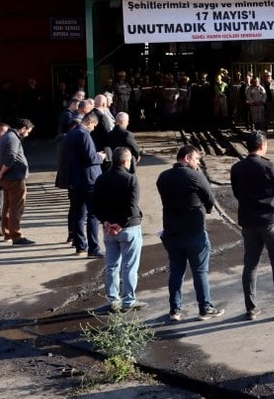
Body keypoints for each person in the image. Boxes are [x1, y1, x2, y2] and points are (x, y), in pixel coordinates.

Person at [230, 131, 274, 321]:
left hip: (248, 222)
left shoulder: (237, 168)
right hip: (272, 221)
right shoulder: (269, 166)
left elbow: (236, 192)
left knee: (250, 265)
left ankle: (251, 308)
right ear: (262, 145)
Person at [157, 145, 224, 322]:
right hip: (194, 232)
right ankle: (204, 308)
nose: (197, 163)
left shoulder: (163, 177)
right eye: (196, 160)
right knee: (200, 271)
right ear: (186, 158)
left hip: (171, 233)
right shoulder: (195, 176)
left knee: (176, 271)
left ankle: (174, 310)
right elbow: (210, 198)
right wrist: (205, 208)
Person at [92, 147, 145, 312]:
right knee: (130, 266)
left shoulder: (101, 179)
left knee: (112, 266)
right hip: (128, 228)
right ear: (125, 161)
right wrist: (120, 224)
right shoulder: (131, 180)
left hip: (109, 231)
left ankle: (113, 301)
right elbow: (131, 206)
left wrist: (106, 222)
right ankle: (129, 301)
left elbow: (94, 204)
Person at [63, 111, 106, 257]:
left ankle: (80, 246)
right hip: (88, 180)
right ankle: (93, 248)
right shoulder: (84, 134)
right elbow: (90, 157)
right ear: (89, 122)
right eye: (94, 125)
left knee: (78, 214)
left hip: (75, 179)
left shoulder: (70, 134)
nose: (93, 129)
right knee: (92, 215)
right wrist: (100, 156)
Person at [0, 118, 35, 245]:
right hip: (14, 178)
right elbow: (11, 157)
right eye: (28, 132)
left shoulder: (5, 137)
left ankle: (7, 233)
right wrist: (1, 172)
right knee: (16, 208)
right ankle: (16, 235)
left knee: (7, 206)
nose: (27, 134)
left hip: (8, 178)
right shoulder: (13, 138)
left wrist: (0, 172)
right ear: (23, 128)